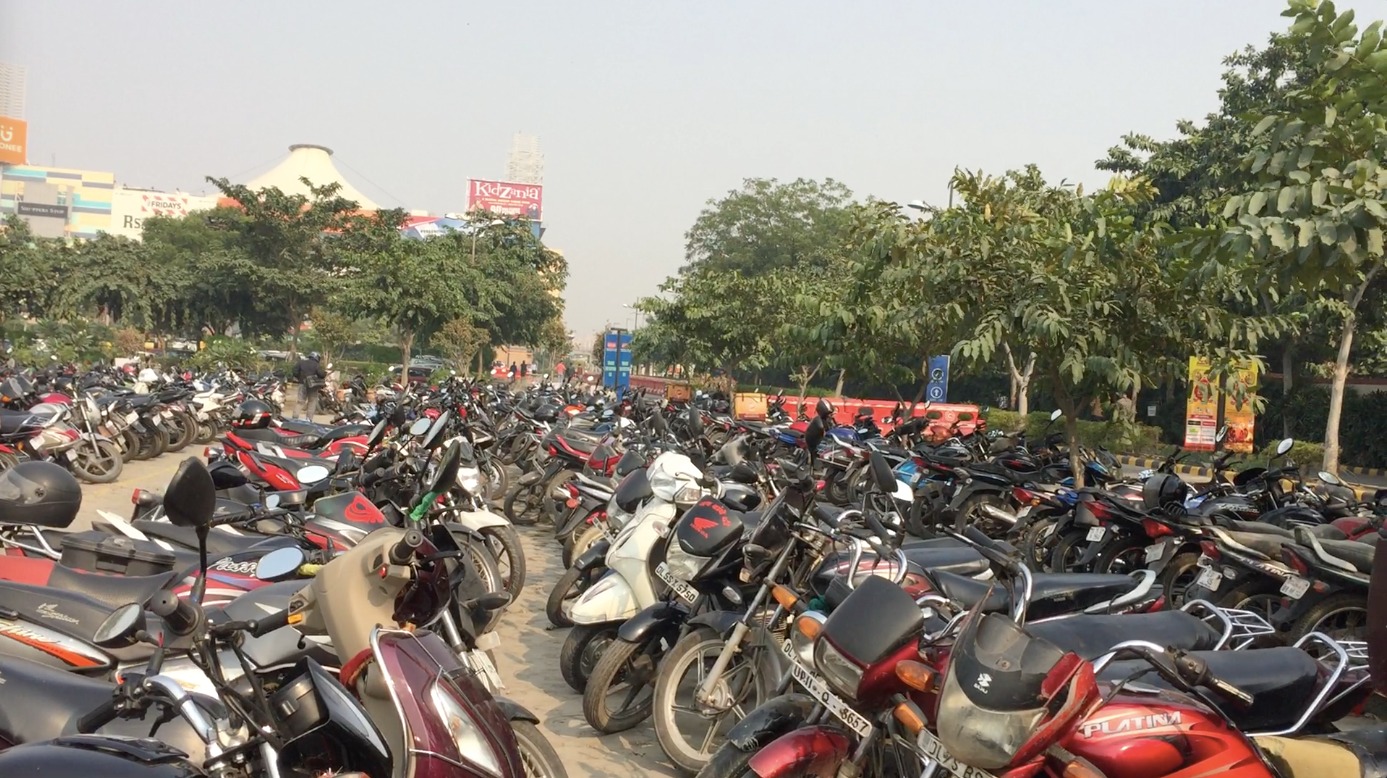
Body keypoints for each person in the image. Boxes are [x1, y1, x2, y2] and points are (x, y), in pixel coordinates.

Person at [292, 351, 326, 419]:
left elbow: (294, 371)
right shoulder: (316, 365)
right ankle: (309, 419)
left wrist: (300, 378)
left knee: (300, 401)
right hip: (313, 386)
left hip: (302, 384)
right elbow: (321, 375)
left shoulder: (301, 362)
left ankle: (295, 417)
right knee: (312, 402)